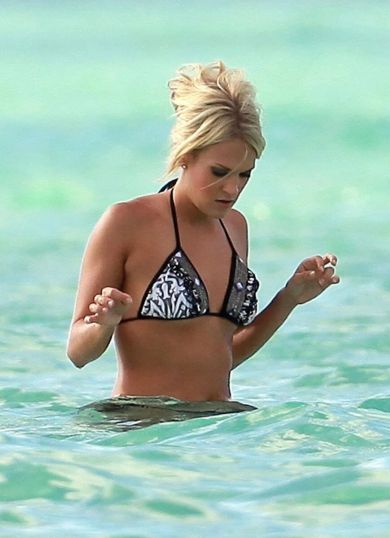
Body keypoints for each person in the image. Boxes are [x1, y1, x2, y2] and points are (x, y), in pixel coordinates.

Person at [67, 61, 340, 406]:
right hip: (145, 423)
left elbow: (222, 356)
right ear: (186, 156)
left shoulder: (235, 226)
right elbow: (78, 353)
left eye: (244, 175)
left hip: (217, 424)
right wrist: (103, 325)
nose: (232, 188)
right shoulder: (127, 221)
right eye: (219, 172)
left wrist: (289, 298)